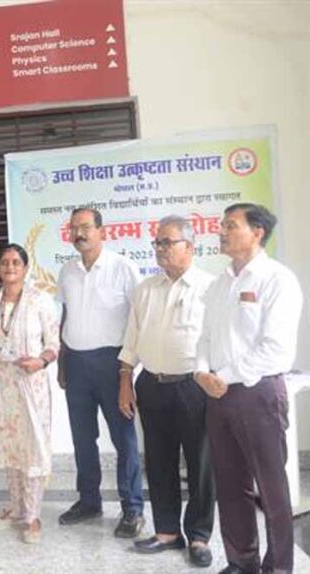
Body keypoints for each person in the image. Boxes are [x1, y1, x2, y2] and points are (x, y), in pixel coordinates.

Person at [194, 203, 303, 574]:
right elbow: (205, 336)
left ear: (257, 232)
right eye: (222, 225)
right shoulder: (220, 282)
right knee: (230, 483)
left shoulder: (277, 279)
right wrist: (201, 371)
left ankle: (279, 567)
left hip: (258, 394)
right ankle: (242, 561)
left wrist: (223, 375)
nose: (221, 231)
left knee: (271, 489)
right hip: (217, 394)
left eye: (231, 225)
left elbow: (276, 348)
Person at [117, 216, 215, 567]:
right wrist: (125, 380)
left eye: (166, 242)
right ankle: (167, 532)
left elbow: (218, 340)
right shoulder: (145, 289)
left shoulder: (209, 287)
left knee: (201, 464)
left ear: (189, 246)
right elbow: (131, 338)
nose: (159, 248)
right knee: (158, 462)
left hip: (194, 386)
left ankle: (200, 536)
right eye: (157, 243)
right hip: (152, 384)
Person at [56, 207, 145, 537]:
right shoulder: (67, 271)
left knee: (124, 439)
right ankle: (89, 501)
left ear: (102, 232)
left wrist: (126, 372)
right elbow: (66, 316)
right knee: (83, 438)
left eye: (85, 227)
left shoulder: (123, 268)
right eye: (74, 228)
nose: (79, 233)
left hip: (113, 364)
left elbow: (137, 320)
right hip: (76, 364)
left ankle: (132, 508)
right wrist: (63, 361)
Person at [0, 244, 59, 544]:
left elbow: (54, 344)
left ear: (25, 268)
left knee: (33, 448)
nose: (9, 267)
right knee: (10, 448)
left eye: (15, 262)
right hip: (1, 386)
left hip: (30, 386)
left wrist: (41, 362)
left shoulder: (40, 300)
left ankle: (33, 516)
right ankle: (16, 508)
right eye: (4, 262)